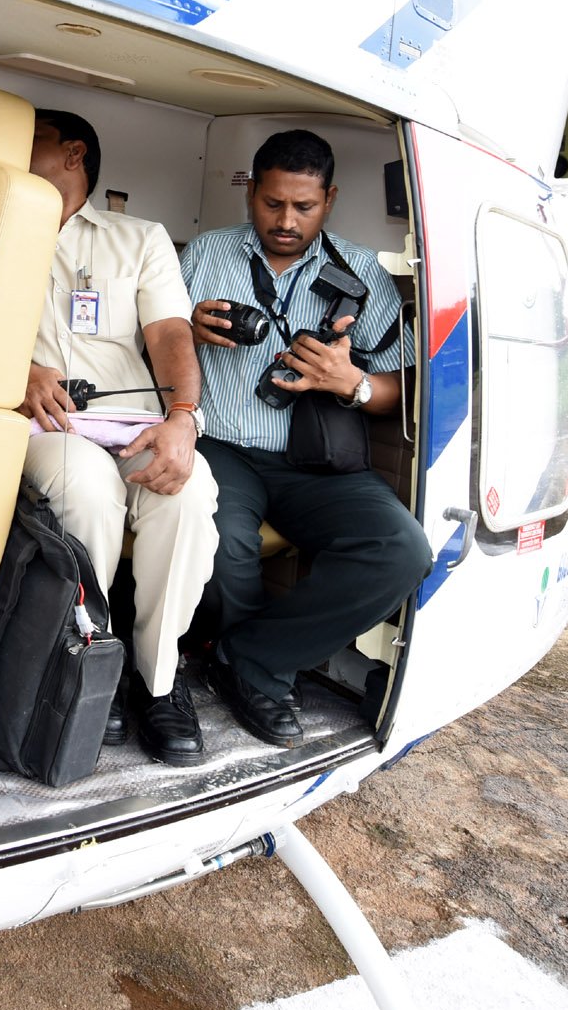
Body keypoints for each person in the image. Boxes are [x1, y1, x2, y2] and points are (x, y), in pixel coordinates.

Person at [182, 130, 430, 748]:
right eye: (271, 204)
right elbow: (149, 343)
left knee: (401, 550)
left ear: (330, 198)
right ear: (250, 193)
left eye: (305, 207)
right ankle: (259, 675)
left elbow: (398, 386)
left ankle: (246, 659)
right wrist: (185, 328)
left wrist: (351, 384)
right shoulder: (206, 253)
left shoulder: (360, 271)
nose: (286, 221)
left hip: (315, 456)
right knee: (224, 543)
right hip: (223, 442)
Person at [18, 110, 215, 766]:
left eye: (31, 139)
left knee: (187, 494)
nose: (13, 148)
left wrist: (182, 416)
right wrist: (13, 371)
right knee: (89, 488)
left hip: (130, 418)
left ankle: (157, 682)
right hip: (42, 421)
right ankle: (85, 666)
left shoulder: (140, 237)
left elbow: (169, 335)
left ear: (72, 154)